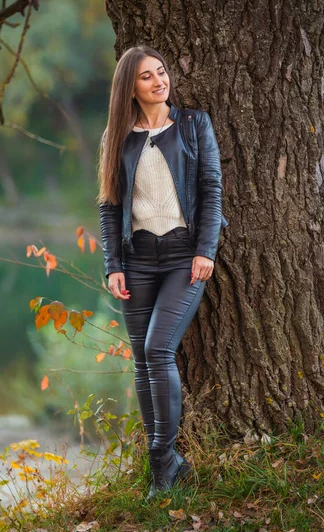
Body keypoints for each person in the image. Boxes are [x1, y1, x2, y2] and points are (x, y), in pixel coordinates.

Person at [97, 45, 227, 501]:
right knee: (142, 361)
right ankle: (168, 467)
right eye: (147, 77)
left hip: (182, 258)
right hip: (137, 262)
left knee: (157, 349)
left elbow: (211, 190)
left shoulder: (193, 125)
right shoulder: (118, 136)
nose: (159, 81)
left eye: (162, 72)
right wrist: (113, 264)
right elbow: (110, 206)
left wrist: (206, 250)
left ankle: (161, 458)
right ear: (130, 88)